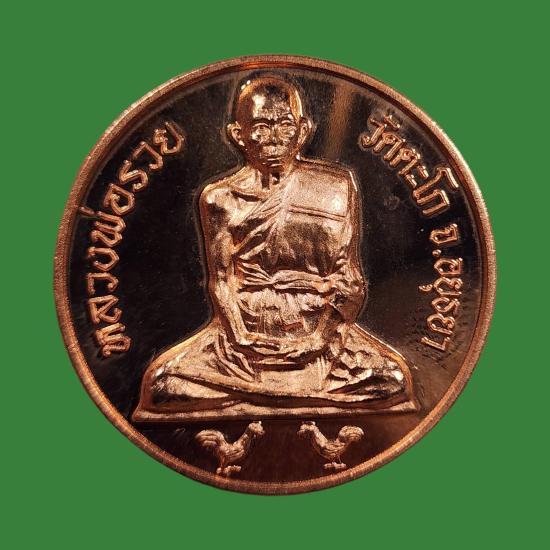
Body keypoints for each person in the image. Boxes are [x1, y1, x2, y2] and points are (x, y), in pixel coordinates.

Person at [133, 76, 416, 421]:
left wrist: (319, 339)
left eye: (285, 125)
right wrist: (239, 337)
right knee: (162, 384)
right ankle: (293, 395)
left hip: (317, 328)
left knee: (393, 380)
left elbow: (350, 280)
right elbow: (221, 280)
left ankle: (266, 396)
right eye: (261, 127)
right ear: (238, 135)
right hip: (243, 334)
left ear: (303, 131)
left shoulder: (335, 186)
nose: (274, 138)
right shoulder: (219, 199)